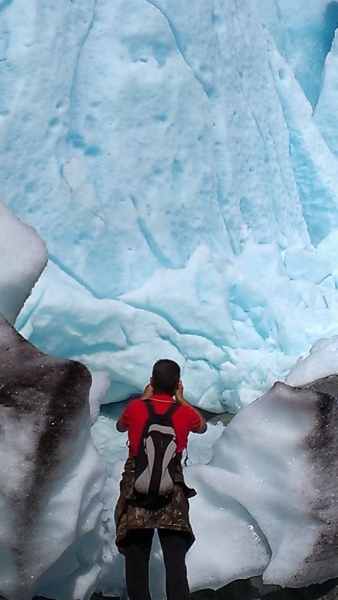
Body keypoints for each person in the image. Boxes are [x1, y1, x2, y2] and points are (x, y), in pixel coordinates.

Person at [114, 358, 207, 600]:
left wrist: (144, 399)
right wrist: (182, 400)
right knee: (175, 563)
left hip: (136, 487)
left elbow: (119, 427)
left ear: (152, 382)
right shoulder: (185, 413)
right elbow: (203, 427)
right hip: (171, 489)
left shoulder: (135, 408)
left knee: (137, 560)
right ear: (177, 384)